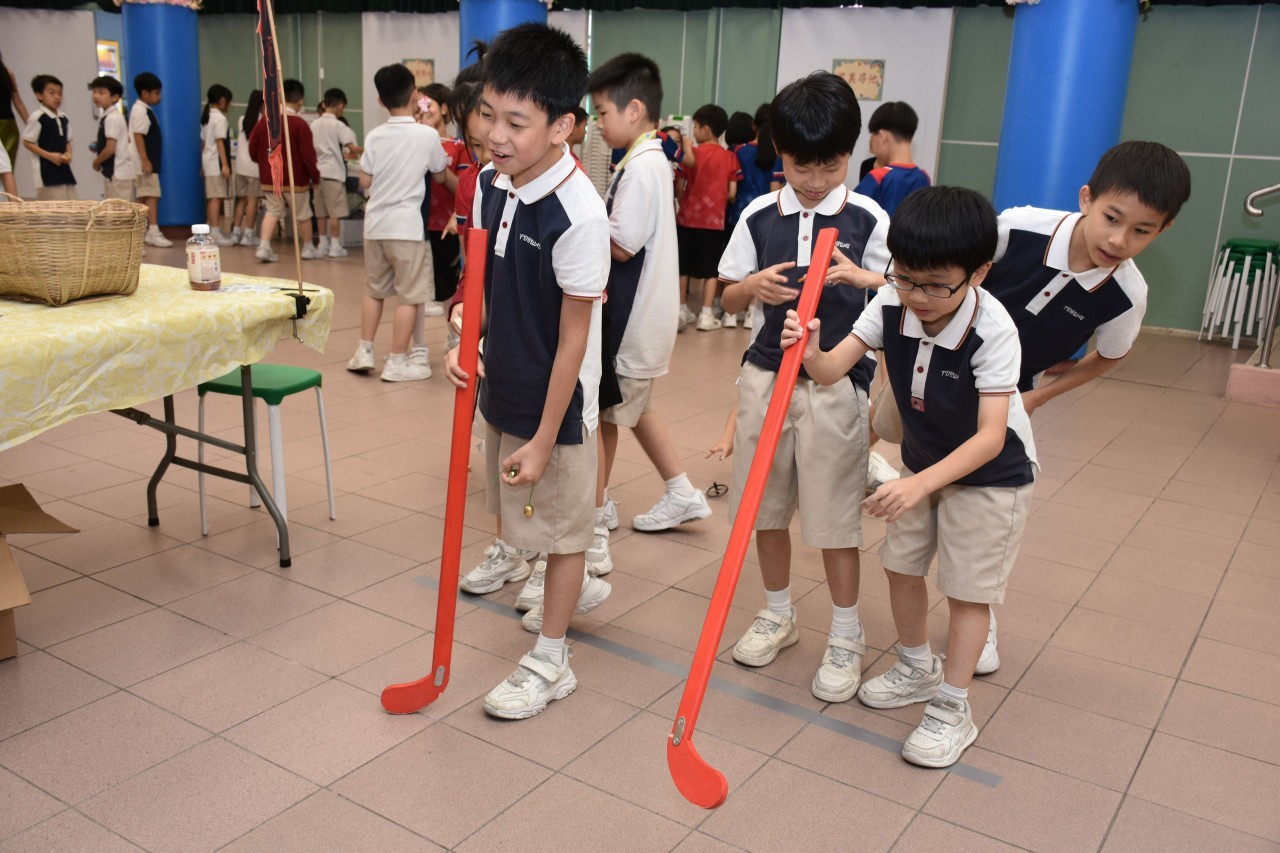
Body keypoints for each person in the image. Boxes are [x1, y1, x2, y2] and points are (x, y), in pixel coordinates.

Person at [872, 141, 1192, 675]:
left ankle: (978, 613)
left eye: (1142, 230)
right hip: (935, 363)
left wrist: (1040, 394)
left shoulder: (1127, 295)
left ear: (1164, 230)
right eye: (1112, 218)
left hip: (999, 395)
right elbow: (947, 262)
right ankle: (865, 472)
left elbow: (1111, 355)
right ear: (1087, 199)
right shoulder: (1020, 227)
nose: (1120, 240)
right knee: (887, 423)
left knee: (980, 512)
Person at [782, 185, 1037, 768]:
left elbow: (991, 437)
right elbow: (830, 371)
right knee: (900, 566)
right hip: (923, 463)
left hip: (993, 476)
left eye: (935, 285)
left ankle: (953, 706)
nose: (917, 296)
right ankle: (918, 666)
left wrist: (917, 484)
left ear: (979, 273)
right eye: (904, 277)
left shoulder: (993, 330)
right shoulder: (890, 302)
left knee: (968, 592)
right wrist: (812, 349)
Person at [445, 23, 611, 719]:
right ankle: (543, 575)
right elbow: (482, 282)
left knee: (565, 537)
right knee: (521, 519)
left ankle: (551, 657)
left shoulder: (579, 213)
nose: (495, 135)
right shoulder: (490, 184)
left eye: (516, 122)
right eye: (489, 115)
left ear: (562, 126)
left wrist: (545, 438)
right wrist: (465, 333)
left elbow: (574, 340)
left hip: (558, 407)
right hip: (503, 384)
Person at [717, 71, 888, 703]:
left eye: (831, 165)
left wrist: (864, 279)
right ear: (779, 154)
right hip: (767, 376)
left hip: (835, 381)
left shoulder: (869, 217)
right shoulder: (759, 212)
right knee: (764, 509)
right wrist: (751, 286)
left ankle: (846, 632)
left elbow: (900, 292)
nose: (815, 180)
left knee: (834, 515)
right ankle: (778, 611)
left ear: (851, 153)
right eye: (800, 165)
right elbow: (729, 293)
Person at [585, 53, 712, 549]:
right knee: (634, 410)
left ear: (633, 109)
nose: (598, 122)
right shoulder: (648, 158)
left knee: (604, 419)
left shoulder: (641, 167)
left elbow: (621, 243)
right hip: (643, 319)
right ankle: (681, 492)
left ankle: (594, 513)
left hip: (632, 323)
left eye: (602, 112)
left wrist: (583, 217)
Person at [347, 64, 447, 382]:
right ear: (415, 94)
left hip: (375, 225)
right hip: (407, 228)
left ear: (380, 101)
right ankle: (397, 361)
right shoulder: (427, 135)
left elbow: (365, 181)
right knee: (410, 297)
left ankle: (364, 351)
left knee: (374, 291)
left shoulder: (375, 136)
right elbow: (440, 174)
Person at [676, 103, 738, 331]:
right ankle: (706, 314)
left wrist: (685, 201)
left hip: (686, 218)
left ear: (706, 129)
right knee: (711, 268)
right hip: (714, 222)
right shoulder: (729, 157)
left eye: (696, 127)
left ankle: (681, 309)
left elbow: (680, 186)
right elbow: (732, 193)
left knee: (683, 266)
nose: (693, 131)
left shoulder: (691, 154)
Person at [248, 78, 321, 263]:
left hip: (271, 177)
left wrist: (263, 163)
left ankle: (264, 246)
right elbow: (308, 156)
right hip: (296, 179)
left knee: (272, 211)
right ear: (300, 100)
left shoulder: (265, 121)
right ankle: (308, 248)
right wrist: (315, 177)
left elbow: (253, 148)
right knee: (303, 214)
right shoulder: (300, 124)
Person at [724, 103, 783, 329]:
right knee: (762, 265)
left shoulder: (739, 151)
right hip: (769, 218)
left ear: (754, 126)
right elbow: (775, 188)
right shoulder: (778, 155)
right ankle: (751, 313)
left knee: (736, 265)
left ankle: (729, 315)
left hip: (739, 213)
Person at [417, 82, 463, 317]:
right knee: (418, 289)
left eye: (428, 104)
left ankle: (452, 332)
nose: (423, 111)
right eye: (418, 106)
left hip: (446, 227)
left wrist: (439, 163)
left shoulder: (458, 147)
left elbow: (462, 189)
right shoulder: (413, 143)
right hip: (418, 226)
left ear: (444, 108)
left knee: (448, 285)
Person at [854, 101, 931, 216]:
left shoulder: (878, 177)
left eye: (873, 135)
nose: (872, 141)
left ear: (882, 136)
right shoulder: (924, 177)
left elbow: (851, 214)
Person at [311, 87, 362, 258]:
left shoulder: (314, 124)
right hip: (333, 173)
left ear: (324, 104)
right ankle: (335, 245)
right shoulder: (339, 125)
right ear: (341, 106)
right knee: (334, 213)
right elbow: (352, 148)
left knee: (320, 212)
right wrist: (368, 149)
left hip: (317, 173)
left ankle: (322, 245)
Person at [131, 72, 172, 247]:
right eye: (156, 93)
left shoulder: (146, 110)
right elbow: (138, 135)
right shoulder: (140, 110)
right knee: (152, 196)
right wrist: (144, 159)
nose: (159, 97)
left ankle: (141, 231)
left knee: (145, 197)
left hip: (149, 163)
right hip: (145, 164)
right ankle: (152, 231)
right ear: (145, 93)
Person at [21, 74, 75, 201]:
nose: (57, 97)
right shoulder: (38, 117)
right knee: (52, 207)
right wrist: (50, 156)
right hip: (46, 173)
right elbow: (27, 141)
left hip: (64, 171)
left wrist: (68, 153)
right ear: (39, 95)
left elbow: (68, 140)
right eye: (52, 93)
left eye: (60, 93)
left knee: (70, 202)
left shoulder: (63, 117)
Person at [88, 76, 137, 202]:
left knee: (118, 210)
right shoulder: (113, 116)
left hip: (117, 173)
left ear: (114, 97)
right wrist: (99, 145)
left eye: (101, 92)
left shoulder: (111, 118)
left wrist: (96, 162)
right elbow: (125, 140)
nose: (96, 96)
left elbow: (110, 149)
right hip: (120, 173)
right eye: (94, 92)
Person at [201, 84, 236, 246]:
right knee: (216, 198)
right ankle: (215, 232)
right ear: (222, 101)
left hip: (208, 162)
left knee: (212, 198)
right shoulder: (220, 119)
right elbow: (220, 142)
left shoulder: (207, 117)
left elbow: (204, 143)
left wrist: (203, 165)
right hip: (216, 163)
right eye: (229, 101)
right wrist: (225, 165)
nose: (230, 105)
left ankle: (213, 230)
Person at [230, 89, 264, 247]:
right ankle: (248, 235)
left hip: (240, 168)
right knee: (253, 202)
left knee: (241, 201)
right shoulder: (263, 122)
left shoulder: (242, 120)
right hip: (255, 169)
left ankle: (236, 233)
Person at [0, 53, 30, 177]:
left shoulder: (8, 73)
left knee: (7, 169)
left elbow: (18, 103)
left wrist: (31, 125)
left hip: (9, 127)